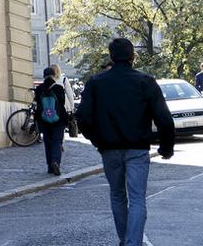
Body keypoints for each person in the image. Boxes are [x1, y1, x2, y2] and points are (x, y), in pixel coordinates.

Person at [75, 38, 175, 246]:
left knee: (117, 195)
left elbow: (83, 117)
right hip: (137, 147)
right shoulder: (145, 81)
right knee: (138, 198)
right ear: (132, 56)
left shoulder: (96, 82)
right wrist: (166, 147)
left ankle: (124, 239)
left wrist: (96, 140)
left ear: (111, 56)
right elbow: (163, 117)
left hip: (109, 148)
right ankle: (132, 243)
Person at [34, 66, 69, 175]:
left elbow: (38, 105)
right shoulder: (58, 88)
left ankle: (50, 166)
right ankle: (55, 162)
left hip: (44, 119)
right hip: (58, 120)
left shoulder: (39, 89)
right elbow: (62, 103)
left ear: (44, 76)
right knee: (57, 142)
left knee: (47, 143)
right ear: (54, 75)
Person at [51, 62, 79, 137]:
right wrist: (72, 106)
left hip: (51, 104)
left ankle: (55, 138)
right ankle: (61, 142)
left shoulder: (48, 79)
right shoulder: (63, 79)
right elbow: (69, 94)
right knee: (61, 124)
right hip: (62, 105)